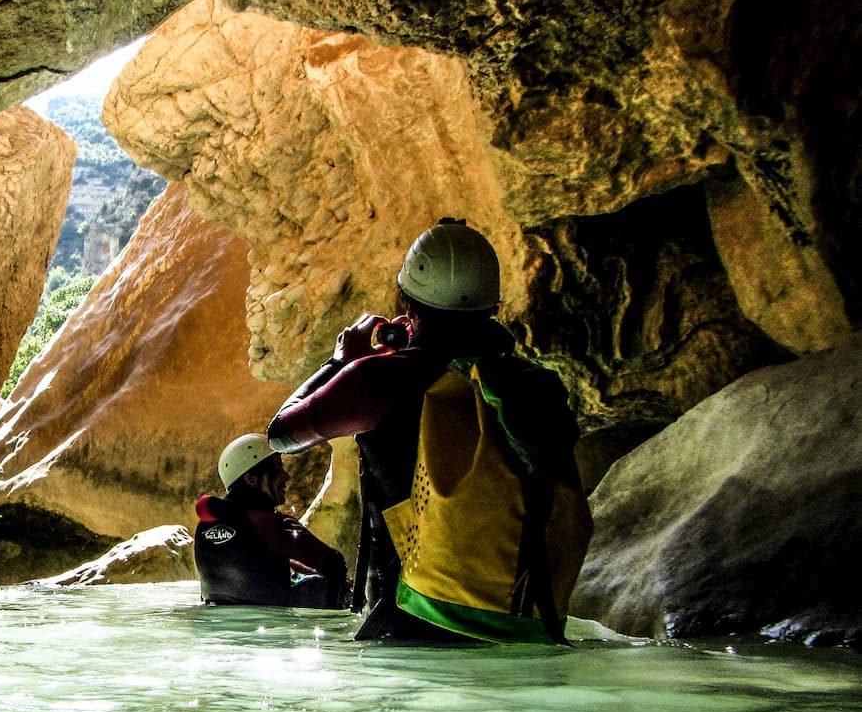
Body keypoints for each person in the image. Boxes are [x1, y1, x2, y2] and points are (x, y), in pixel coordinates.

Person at [267, 218, 592, 644]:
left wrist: (341, 361)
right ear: (492, 305)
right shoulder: (530, 384)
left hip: (414, 622)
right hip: (525, 625)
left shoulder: (379, 380)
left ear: (409, 301)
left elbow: (281, 435)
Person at [194, 434, 349, 608]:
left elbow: (252, 561)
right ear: (251, 479)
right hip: (271, 628)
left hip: (217, 626)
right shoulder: (270, 523)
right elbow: (333, 563)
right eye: (276, 468)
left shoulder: (204, 526)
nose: (286, 476)